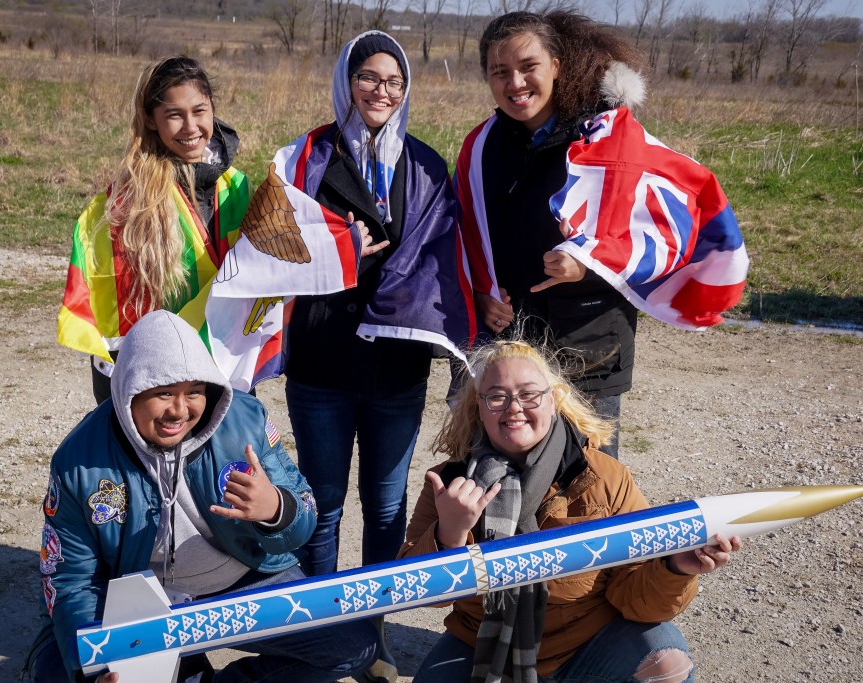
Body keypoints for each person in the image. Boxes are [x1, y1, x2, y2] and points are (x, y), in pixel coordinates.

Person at [23, 310, 380, 683]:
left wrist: (275, 508)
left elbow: (304, 510)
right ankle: (179, 662)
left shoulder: (245, 421)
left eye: (194, 391)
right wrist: (96, 666)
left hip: (240, 584)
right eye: (164, 393)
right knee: (58, 671)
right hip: (140, 600)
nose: (180, 410)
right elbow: (71, 579)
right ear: (129, 388)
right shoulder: (78, 462)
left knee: (352, 646)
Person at [277, 30, 462, 683]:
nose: (381, 91)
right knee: (322, 502)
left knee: (385, 507)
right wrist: (336, 249)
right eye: (369, 78)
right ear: (346, 81)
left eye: (394, 81)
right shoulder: (302, 159)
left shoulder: (427, 166)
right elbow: (272, 249)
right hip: (322, 365)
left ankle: (372, 631)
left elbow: (448, 262)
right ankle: (322, 637)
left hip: (397, 372)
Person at [401, 339, 741, 683]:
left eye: (529, 394)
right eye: (497, 396)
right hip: (480, 646)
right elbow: (420, 593)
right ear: (480, 405)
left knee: (666, 660)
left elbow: (638, 601)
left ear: (553, 400)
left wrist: (676, 568)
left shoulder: (603, 477)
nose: (514, 407)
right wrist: (450, 534)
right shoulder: (450, 482)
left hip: (587, 645)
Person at [456, 11, 651, 458]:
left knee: (588, 484)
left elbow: (651, 240)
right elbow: (464, 238)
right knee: (503, 486)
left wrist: (587, 266)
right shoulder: (481, 147)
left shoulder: (607, 139)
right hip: (510, 351)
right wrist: (481, 295)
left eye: (528, 67)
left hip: (588, 344)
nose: (515, 82)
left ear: (557, 66)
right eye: (499, 72)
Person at [56, 56, 248, 405]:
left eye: (199, 111)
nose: (191, 127)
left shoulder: (237, 188)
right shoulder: (126, 204)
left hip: (224, 363)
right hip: (152, 374)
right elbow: (108, 295)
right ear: (151, 120)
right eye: (174, 115)